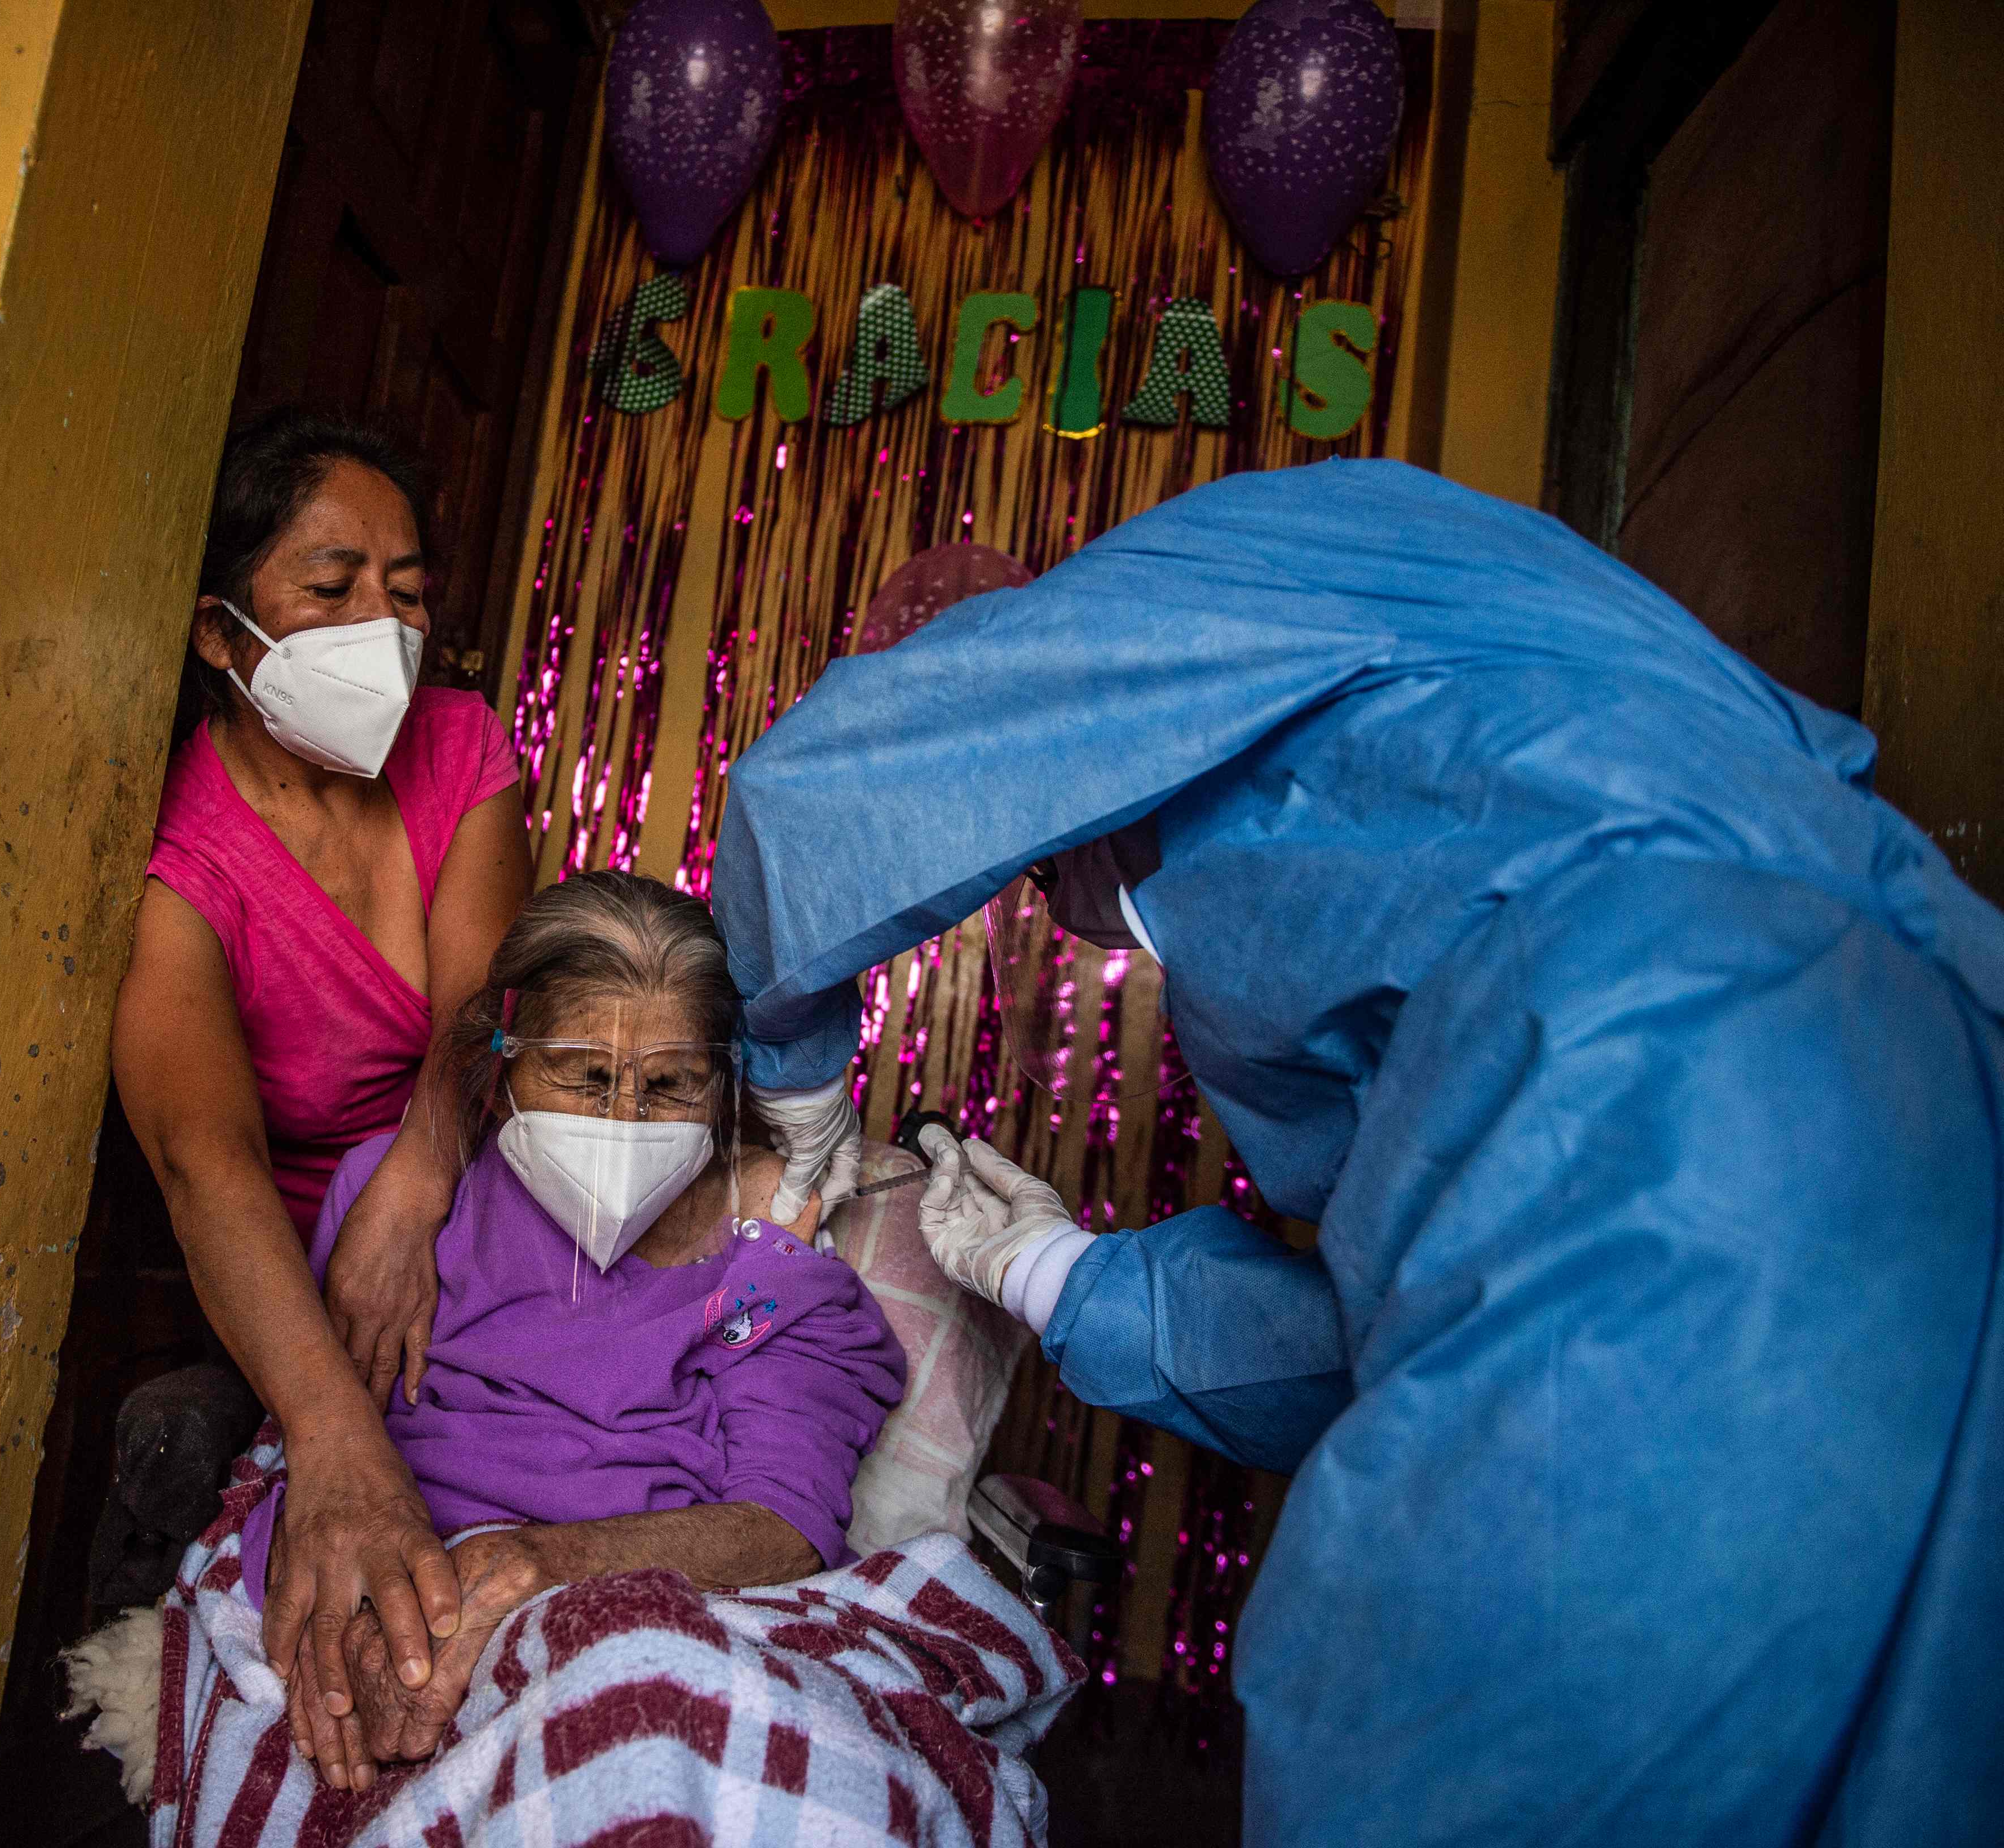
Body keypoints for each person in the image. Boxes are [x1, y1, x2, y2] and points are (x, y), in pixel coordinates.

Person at [710, 460, 2004, 1842]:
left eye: (1026, 857)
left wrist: (788, 1077)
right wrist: (1060, 1276)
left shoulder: (1194, 600)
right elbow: (1400, 1320)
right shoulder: (1388, 792)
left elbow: (813, 805)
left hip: (1692, 1065)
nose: (1043, 893)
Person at [255, 870, 905, 1789]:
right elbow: (328, 1456)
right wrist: (390, 1613)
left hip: (654, 1619)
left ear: (722, 1090)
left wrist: (547, 1565)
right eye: (585, 1075)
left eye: (669, 1084)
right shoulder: (398, 1222)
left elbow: (787, 1531)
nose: (623, 1122)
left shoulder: (769, 1268)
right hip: (396, 1587)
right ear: (504, 1058)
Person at [112, 409, 532, 1726]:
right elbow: (203, 1159)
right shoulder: (186, 850)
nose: (380, 629)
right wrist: (333, 1428)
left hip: (467, 1192)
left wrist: (414, 1185)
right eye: (330, 586)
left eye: (404, 593)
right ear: (220, 631)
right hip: (306, 1282)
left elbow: (483, 1007)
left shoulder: (458, 743)